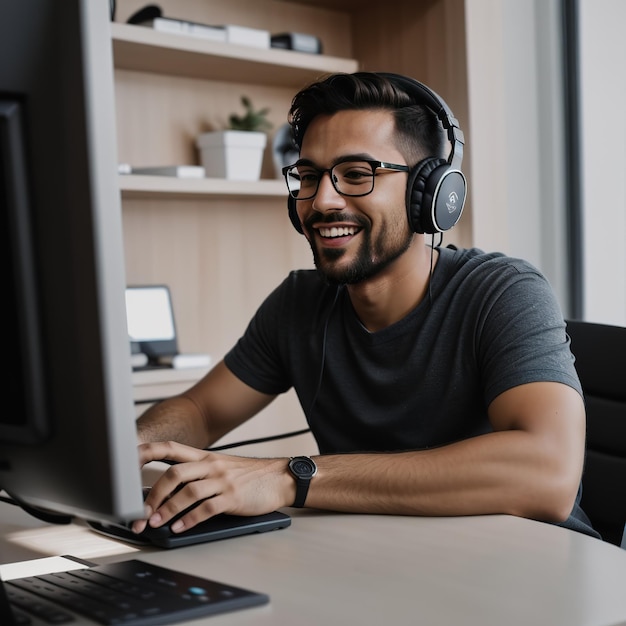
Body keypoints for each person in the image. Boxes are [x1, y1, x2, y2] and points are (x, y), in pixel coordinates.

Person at [133, 71, 599, 540]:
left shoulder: (502, 292)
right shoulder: (299, 302)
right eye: (310, 176)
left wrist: (288, 476)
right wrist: (128, 452)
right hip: (380, 561)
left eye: (356, 175)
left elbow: (548, 473)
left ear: (430, 193)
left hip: (528, 571)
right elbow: (201, 410)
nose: (322, 201)